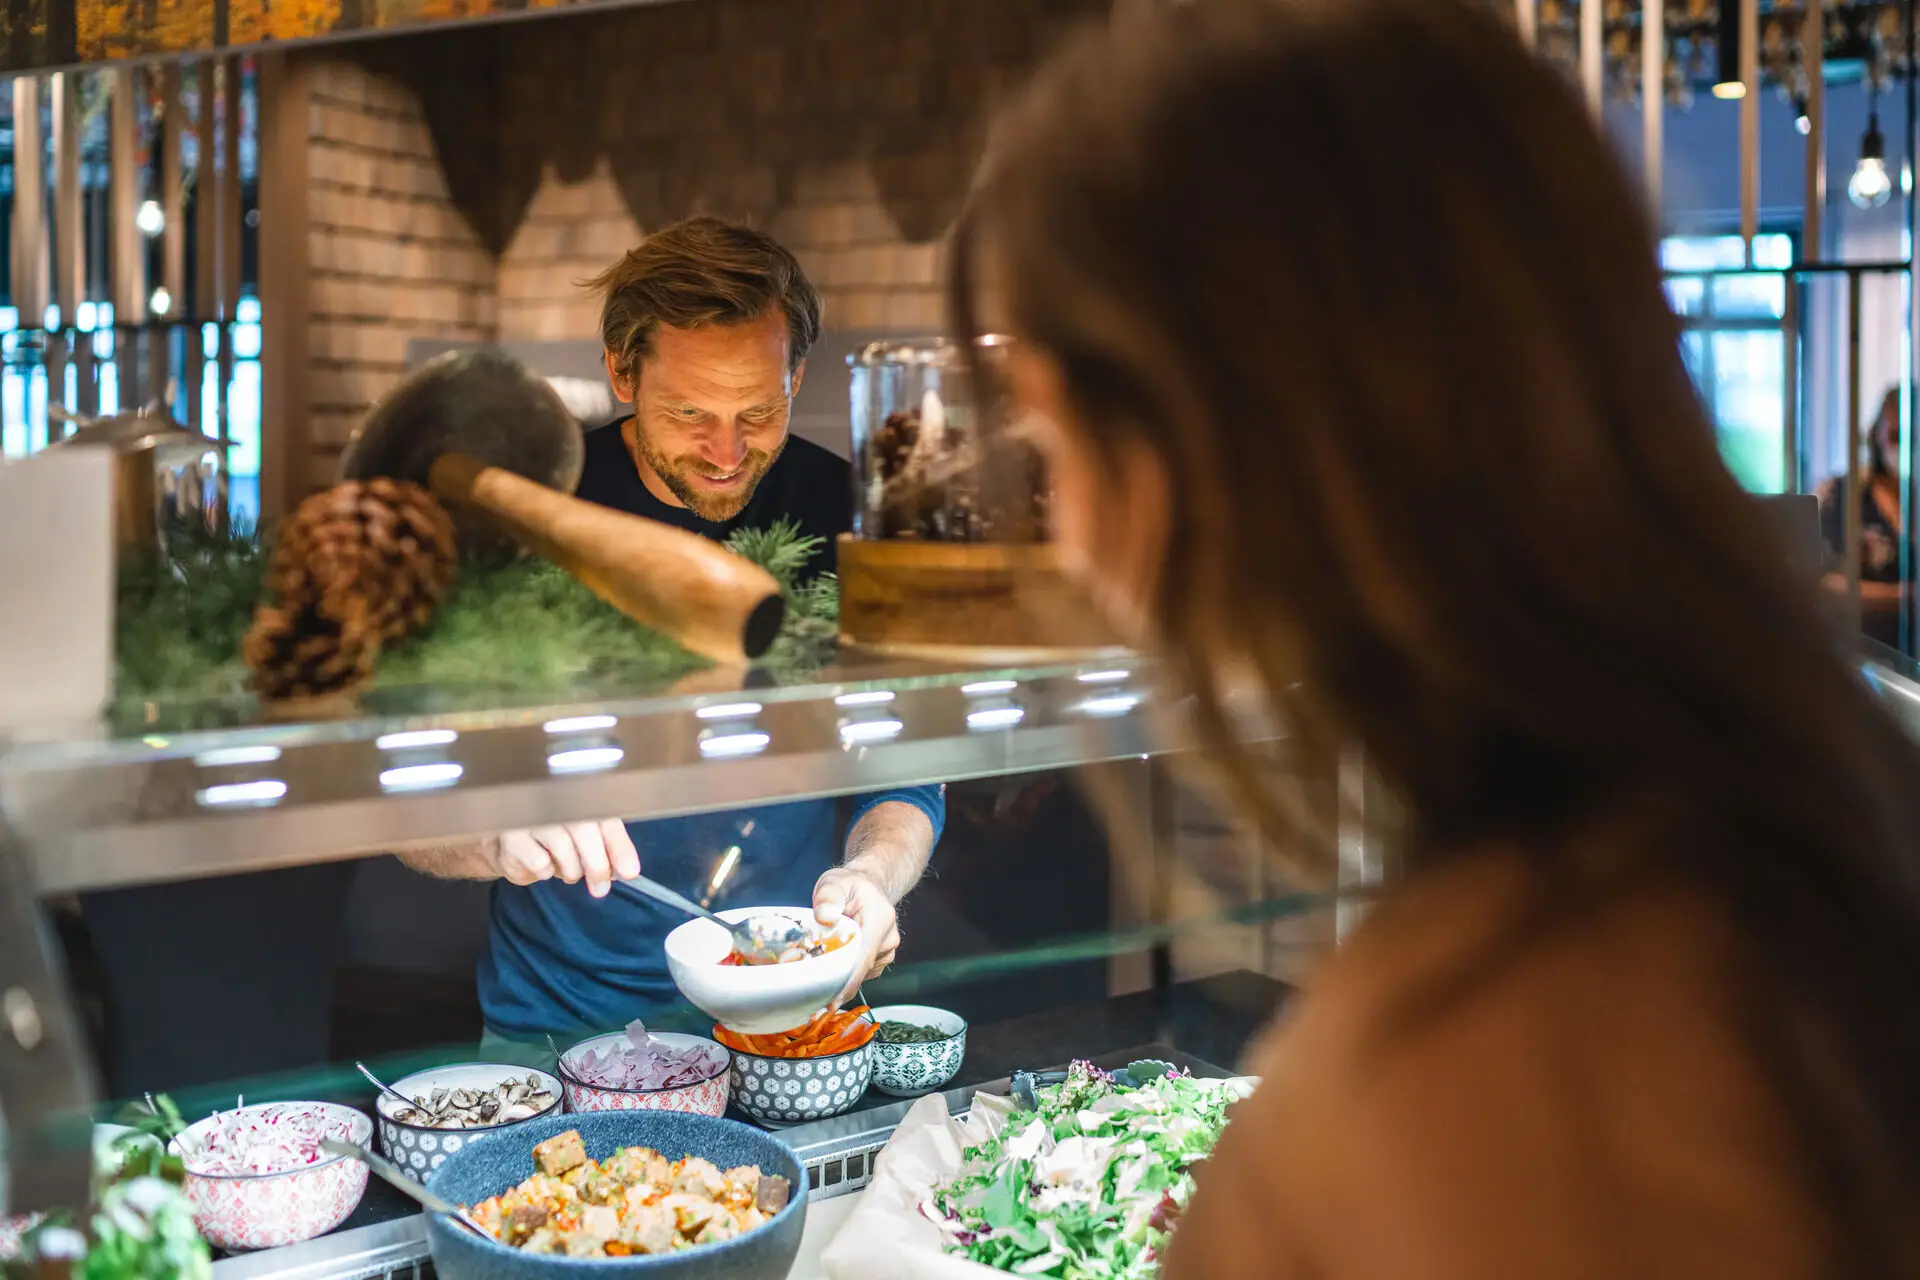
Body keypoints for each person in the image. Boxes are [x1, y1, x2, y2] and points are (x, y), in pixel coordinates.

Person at [952, 2, 1920, 1275]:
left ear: (1218, 448)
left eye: (1052, 443)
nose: (1061, 540)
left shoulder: (1439, 1083)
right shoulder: (1832, 808)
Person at [399, 219, 944, 1057]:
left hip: (787, 1009)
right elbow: (404, 805)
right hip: (557, 1030)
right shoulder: (527, 519)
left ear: (797, 374)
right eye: (690, 412)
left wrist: (874, 877)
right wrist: (493, 832)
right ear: (621, 371)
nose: (726, 452)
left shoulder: (852, 519)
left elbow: (907, 766)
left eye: (758, 411)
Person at [1818, 386, 1910, 646]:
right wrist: (1902, 598)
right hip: (1860, 653)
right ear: (1877, 433)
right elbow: (1824, 585)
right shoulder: (1844, 496)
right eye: (1896, 436)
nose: (1905, 447)